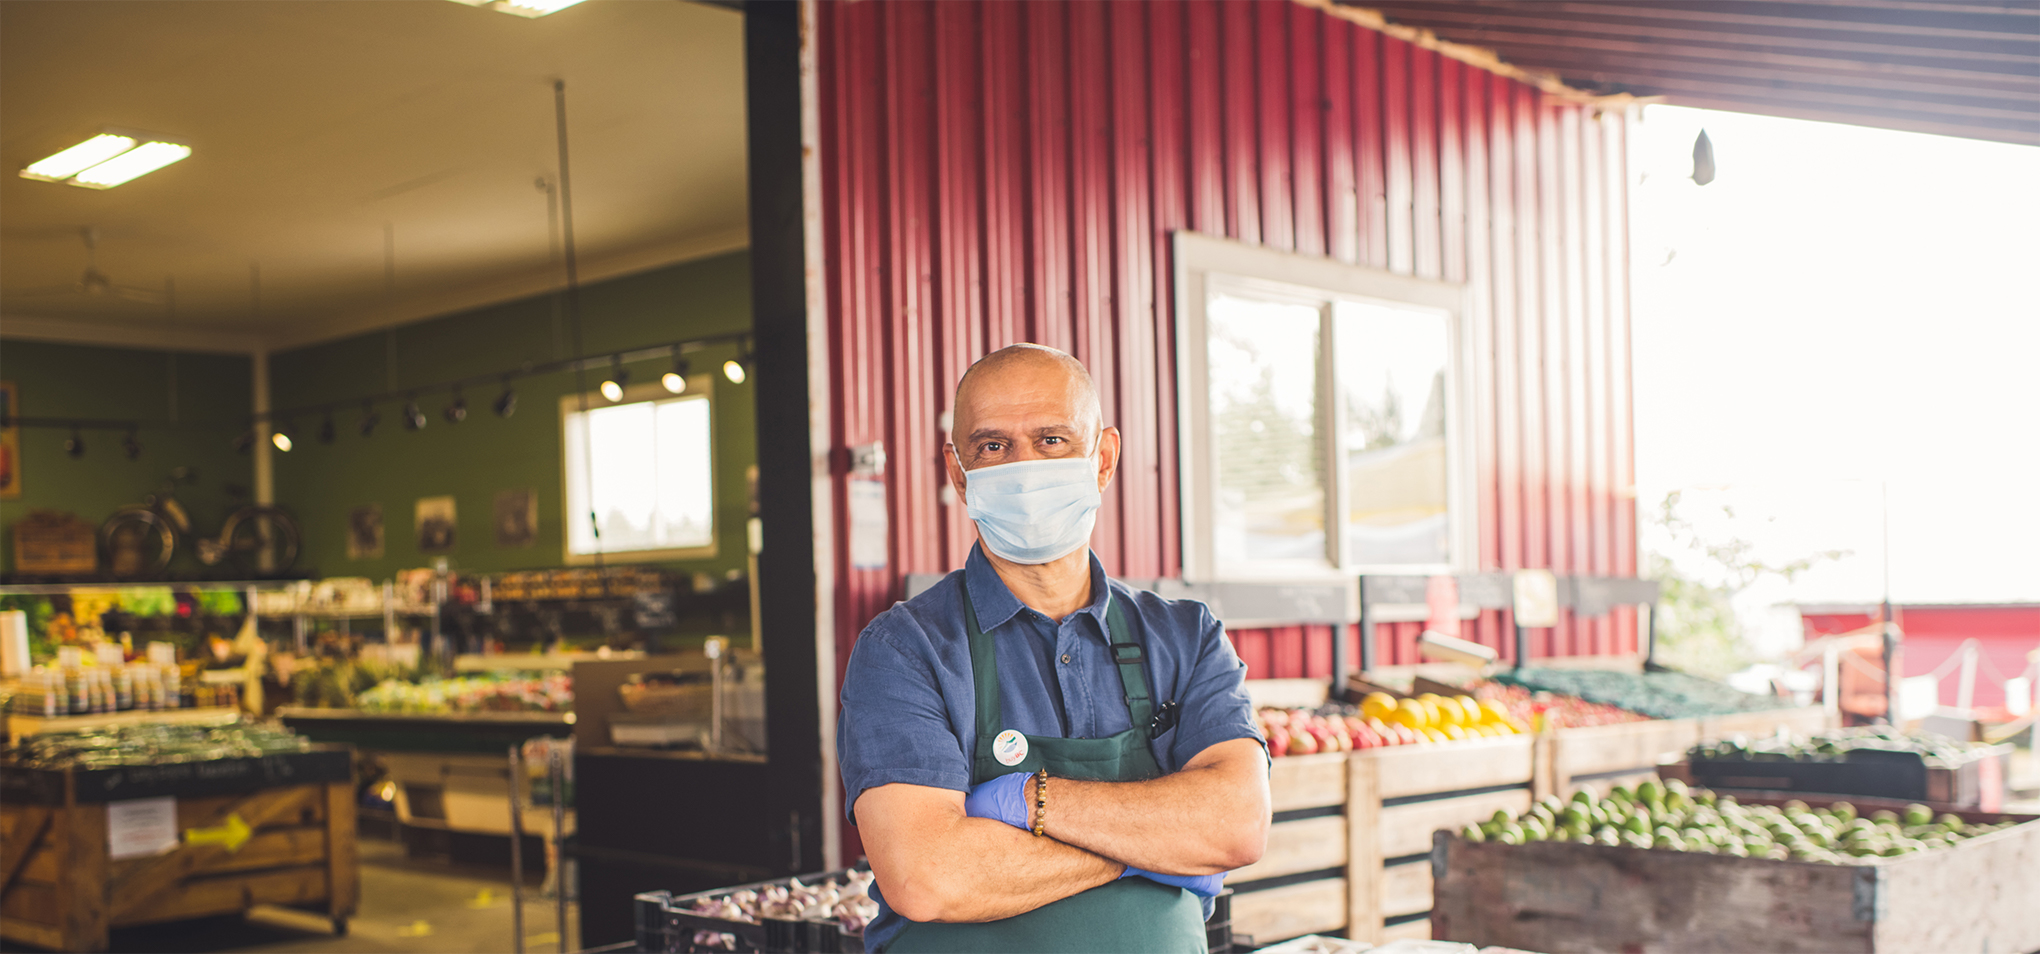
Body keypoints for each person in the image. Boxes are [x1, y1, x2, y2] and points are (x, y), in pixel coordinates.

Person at [837, 343, 1270, 952]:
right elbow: (928, 876)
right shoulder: (904, 650)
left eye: (1052, 439)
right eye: (993, 446)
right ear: (959, 474)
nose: (1024, 467)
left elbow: (1238, 823)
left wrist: (1026, 800)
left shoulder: (1185, 637)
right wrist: (1157, 851)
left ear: (1104, 458)